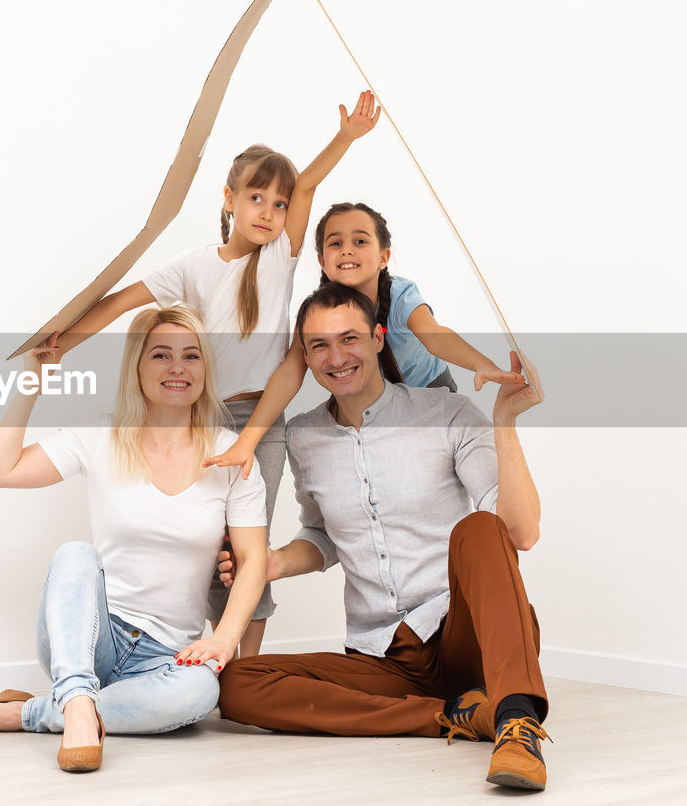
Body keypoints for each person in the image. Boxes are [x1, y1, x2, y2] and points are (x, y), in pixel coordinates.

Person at [55, 92, 380, 656]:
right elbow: (118, 303)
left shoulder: (280, 255)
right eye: (256, 198)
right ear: (228, 198)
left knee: (243, 549)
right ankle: (186, 654)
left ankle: (244, 672)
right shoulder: (195, 266)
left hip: (264, 420)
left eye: (278, 204)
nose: (268, 212)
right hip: (205, 420)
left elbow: (306, 187)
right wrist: (59, 344)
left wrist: (347, 137)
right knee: (209, 551)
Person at [215, 282, 553, 791]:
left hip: (471, 638)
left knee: (481, 528)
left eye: (349, 338)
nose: (336, 356)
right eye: (319, 346)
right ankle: (454, 715)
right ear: (305, 358)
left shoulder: (447, 414)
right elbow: (322, 535)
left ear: (377, 338)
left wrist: (504, 422)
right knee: (238, 684)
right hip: (384, 657)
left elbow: (519, 533)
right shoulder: (305, 436)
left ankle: (517, 721)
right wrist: (274, 562)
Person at [0, 306, 268, 773]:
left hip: (167, 656)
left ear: (205, 369)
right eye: (161, 355)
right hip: (90, 636)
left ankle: (35, 711)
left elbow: (253, 559)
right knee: (75, 553)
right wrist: (30, 384)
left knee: (200, 693)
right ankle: (76, 698)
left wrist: (223, 639)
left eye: (191, 356)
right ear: (137, 367)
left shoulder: (230, 454)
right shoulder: (100, 434)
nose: (178, 368)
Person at [205, 201, 525, 478]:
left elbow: (435, 336)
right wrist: (247, 440)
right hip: (374, 406)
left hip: (427, 391)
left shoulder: (399, 295)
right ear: (322, 262)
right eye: (335, 243)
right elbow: (290, 373)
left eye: (360, 241)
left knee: (433, 474)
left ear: (384, 256)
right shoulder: (320, 313)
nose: (347, 249)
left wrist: (481, 365)